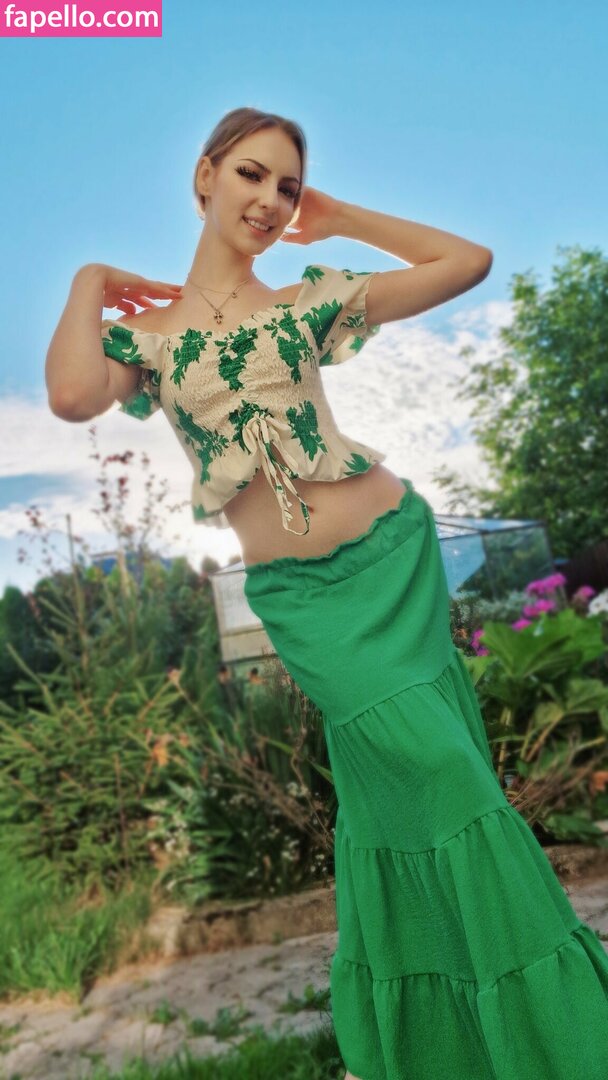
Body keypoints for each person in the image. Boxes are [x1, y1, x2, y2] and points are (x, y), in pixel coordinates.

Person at [46, 107, 608, 1079]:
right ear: (204, 175)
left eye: (288, 186)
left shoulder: (303, 306)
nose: (270, 199)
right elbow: (68, 395)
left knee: (439, 784)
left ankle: (536, 1037)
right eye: (251, 174)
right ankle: (476, 1040)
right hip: (308, 604)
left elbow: (466, 261)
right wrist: (89, 280)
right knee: (427, 784)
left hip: (393, 560)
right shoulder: (150, 342)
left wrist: (341, 217)